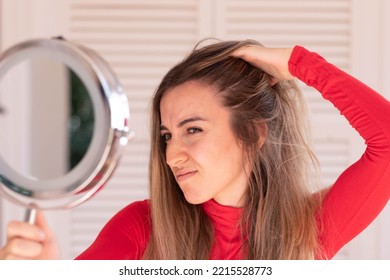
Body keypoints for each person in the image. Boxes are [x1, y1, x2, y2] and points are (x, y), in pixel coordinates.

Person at [1, 39, 389, 260]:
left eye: (193, 130)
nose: (171, 156)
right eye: (167, 135)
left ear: (253, 133)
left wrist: (300, 64)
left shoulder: (311, 230)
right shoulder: (141, 228)